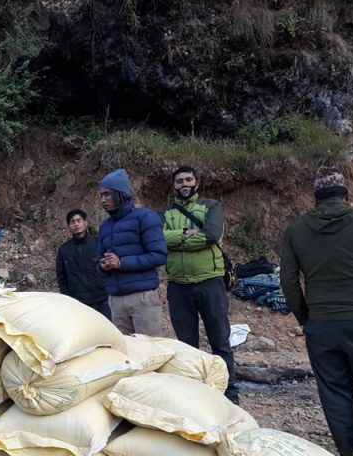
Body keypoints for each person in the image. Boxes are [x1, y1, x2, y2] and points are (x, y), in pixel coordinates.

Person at [280, 167, 353, 456]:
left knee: (335, 392)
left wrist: (306, 319)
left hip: (321, 325)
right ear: (346, 194)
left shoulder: (296, 230)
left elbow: (288, 281)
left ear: (316, 198)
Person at [161, 165, 238, 403]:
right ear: (173, 186)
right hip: (178, 285)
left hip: (210, 281)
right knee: (187, 346)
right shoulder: (165, 213)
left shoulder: (211, 206)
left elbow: (211, 234)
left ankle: (229, 393)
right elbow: (158, 238)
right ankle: (194, 396)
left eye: (188, 180)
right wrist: (188, 233)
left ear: (196, 183)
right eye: (179, 181)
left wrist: (176, 239)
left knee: (220, 341)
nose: (184, 184)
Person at [97, 168, 167, 336]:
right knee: (125, 350)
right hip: (115, 299)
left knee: (150, 348)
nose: (103, 200)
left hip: (143, 297)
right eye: (101, 196)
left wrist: (121, 263)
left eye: (107, 194)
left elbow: (159, 255)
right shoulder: (105, 226)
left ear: (120, 194)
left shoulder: (145, 217)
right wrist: (102, 266)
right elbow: (98, 260)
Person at [56, 209, 110, 318]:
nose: (76, 224)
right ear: (69, 227)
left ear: (85, 223)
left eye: (79, 220)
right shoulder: (64, 250)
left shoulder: (98, 244)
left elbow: (109, 268)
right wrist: (69, 299)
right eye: (72, 222)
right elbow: (62, 278)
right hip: (79, 304)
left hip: (103, 300)